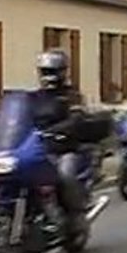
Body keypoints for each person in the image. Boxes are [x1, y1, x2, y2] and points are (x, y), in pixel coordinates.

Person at [31, 49, 87, 233]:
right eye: (45, 71)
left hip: (65, 148)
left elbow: (77, 117)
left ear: (63, 71)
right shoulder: (34, 97)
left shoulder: (71, 96)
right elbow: (20, 116)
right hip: (38, 149)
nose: (48, 76)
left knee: (65, 175)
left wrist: (61, 128)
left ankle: (75, 215)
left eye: (52, 71)